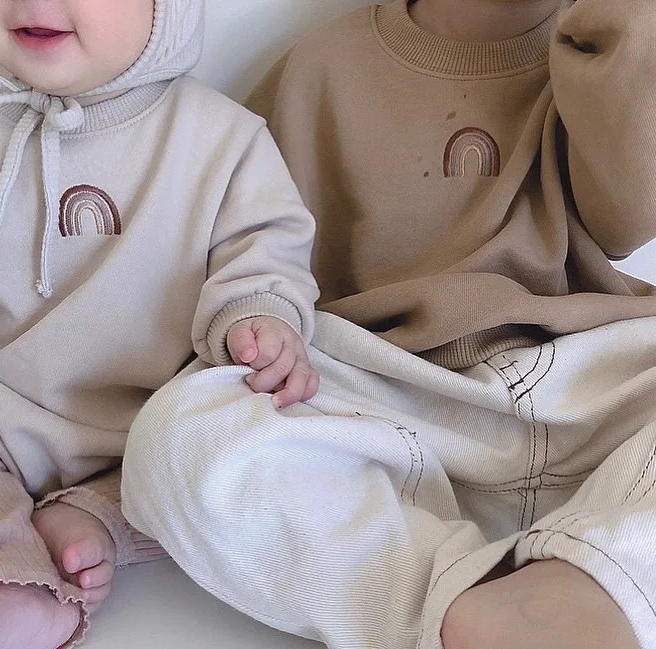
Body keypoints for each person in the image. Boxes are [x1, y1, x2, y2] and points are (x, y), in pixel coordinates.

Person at [121, 0, 656, 648]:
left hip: (589, 384)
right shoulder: (323, 66)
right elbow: (249, 243)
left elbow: (628, 219)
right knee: (178, 433)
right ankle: (466, 603)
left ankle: (602, 577)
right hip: (390, 401)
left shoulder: (602, 47)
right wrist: (262, 319)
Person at [0, 0, 320, 646]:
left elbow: (265, 250)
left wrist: (257, 317)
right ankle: (9, 575)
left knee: (250, 447)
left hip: (156, 427)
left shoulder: (221, 138)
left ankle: (99, 516)